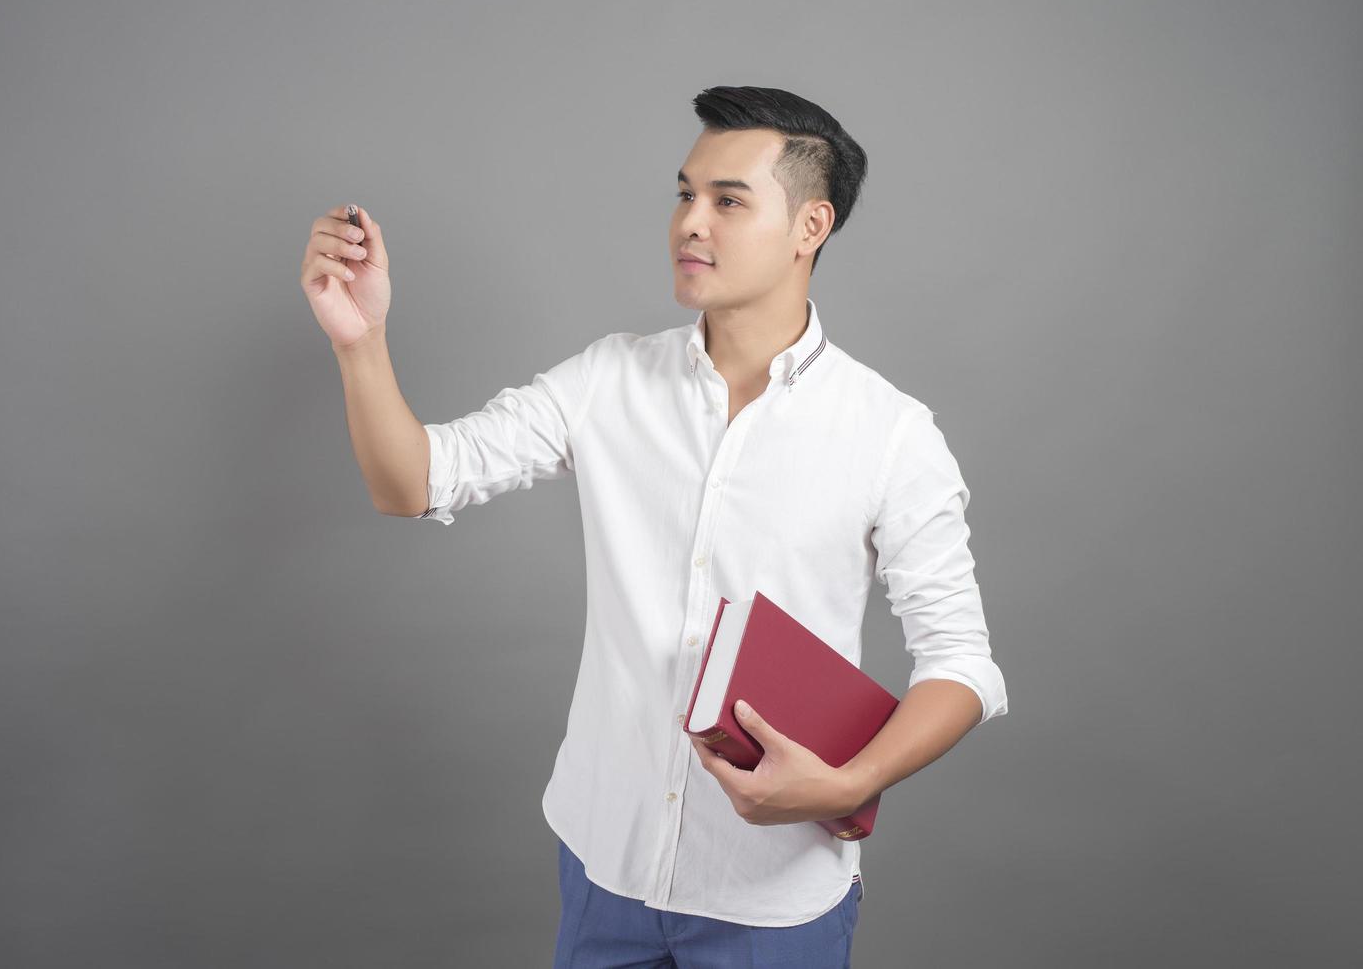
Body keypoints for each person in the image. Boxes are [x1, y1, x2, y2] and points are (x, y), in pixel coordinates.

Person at [300, 85, 1009, 968]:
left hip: (770, 896)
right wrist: (359, 341)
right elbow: (414, 482)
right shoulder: (607, 380)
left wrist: (851, 782)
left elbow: (962, 663)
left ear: (810, 226)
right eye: (685, 194)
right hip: (606, 867)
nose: (690, 223)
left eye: (729, 200)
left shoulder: (891, 433)